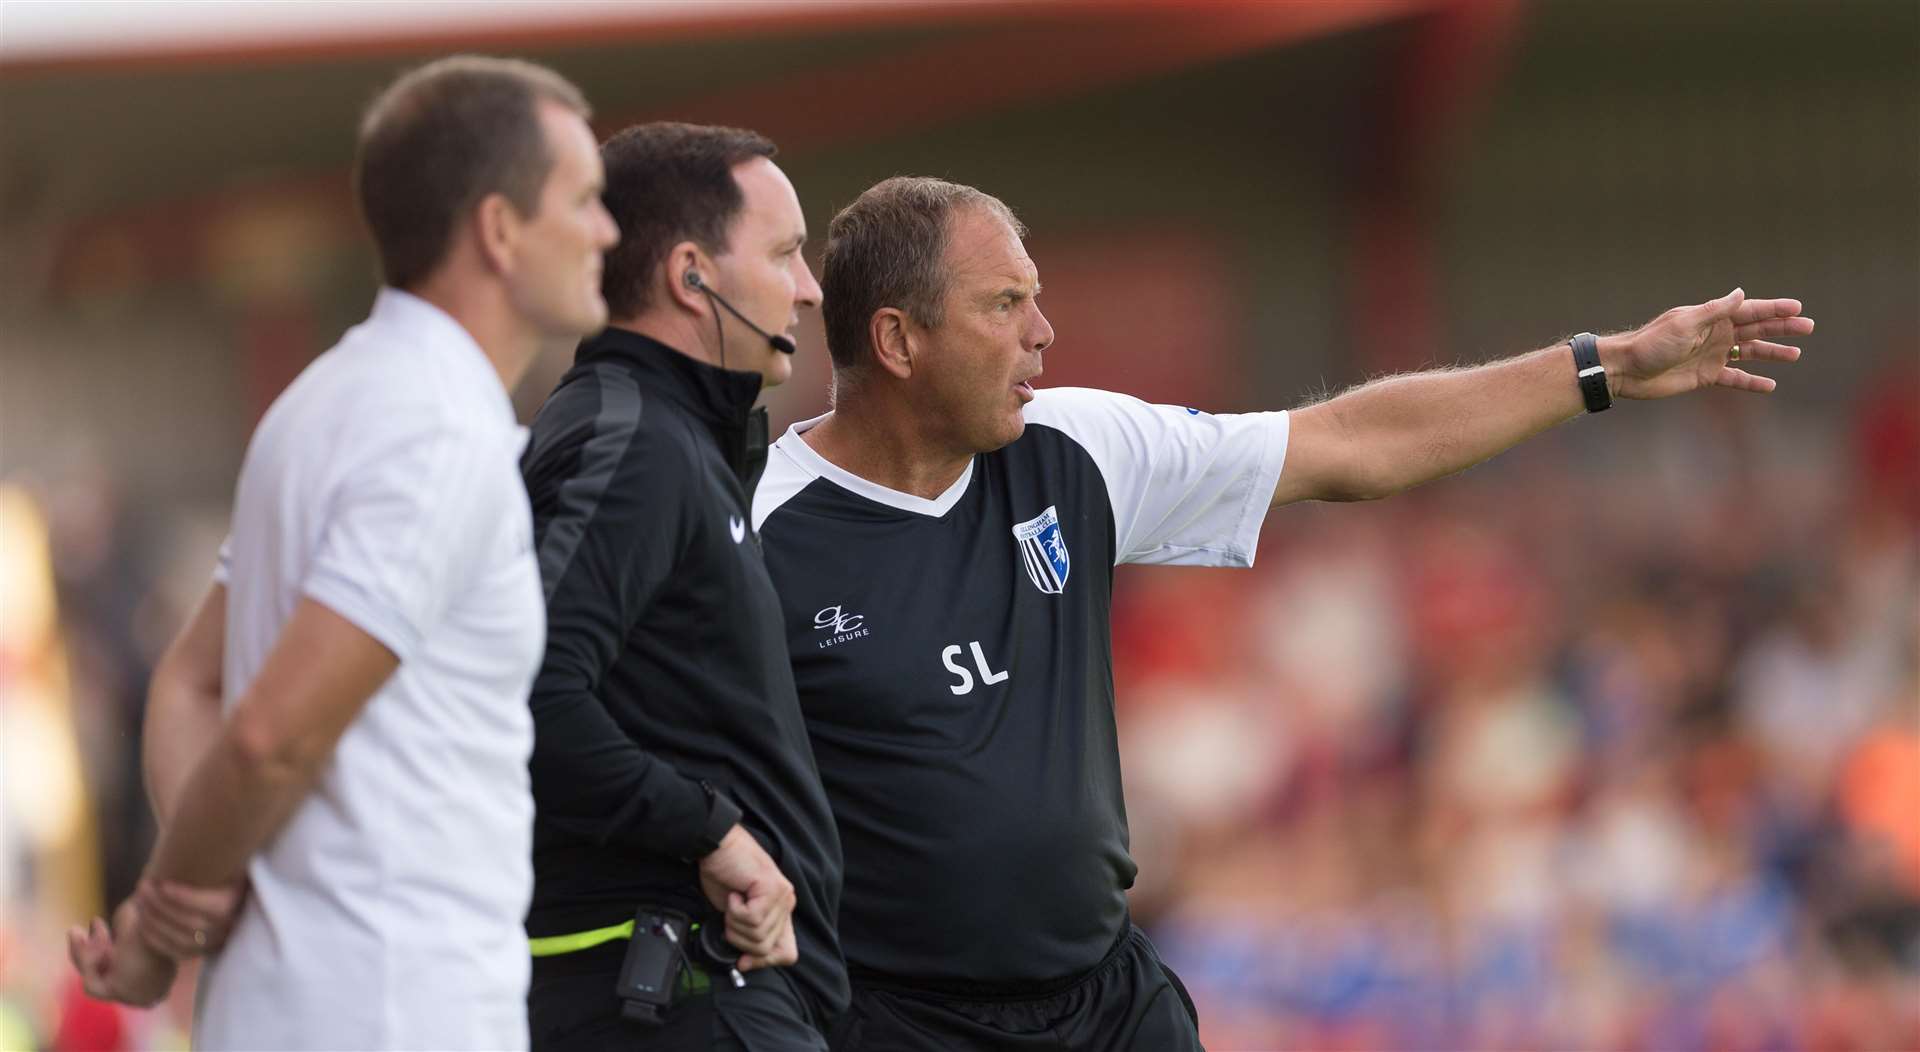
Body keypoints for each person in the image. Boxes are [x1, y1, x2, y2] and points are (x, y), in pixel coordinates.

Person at [750, 175, 1814, 1051]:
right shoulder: (748, 529)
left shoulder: (1073, 446)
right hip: (895, 1021)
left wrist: (1607, 365)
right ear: (897, 340)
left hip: (1105, 1001)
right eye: (1003, 304)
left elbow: (1350, 442)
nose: (1044, 331)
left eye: (1037, 295)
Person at [66, 55, 618, 1050]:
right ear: (499, 228)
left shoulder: (323, 398)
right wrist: (159, 924)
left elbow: (192, 682)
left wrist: (205, 889)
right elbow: (267, 734)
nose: (606, 230)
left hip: (303, 1006)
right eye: (582, 200)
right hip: (396, 1008)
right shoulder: (439, 432)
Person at [517, 122, 844, 1052]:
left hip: (704, 987)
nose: (810, 288)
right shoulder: (633, 446)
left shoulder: (674, 440)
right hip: (669, 991)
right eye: (785, 254)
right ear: (691, 274)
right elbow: (523, 691)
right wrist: (713, 832)